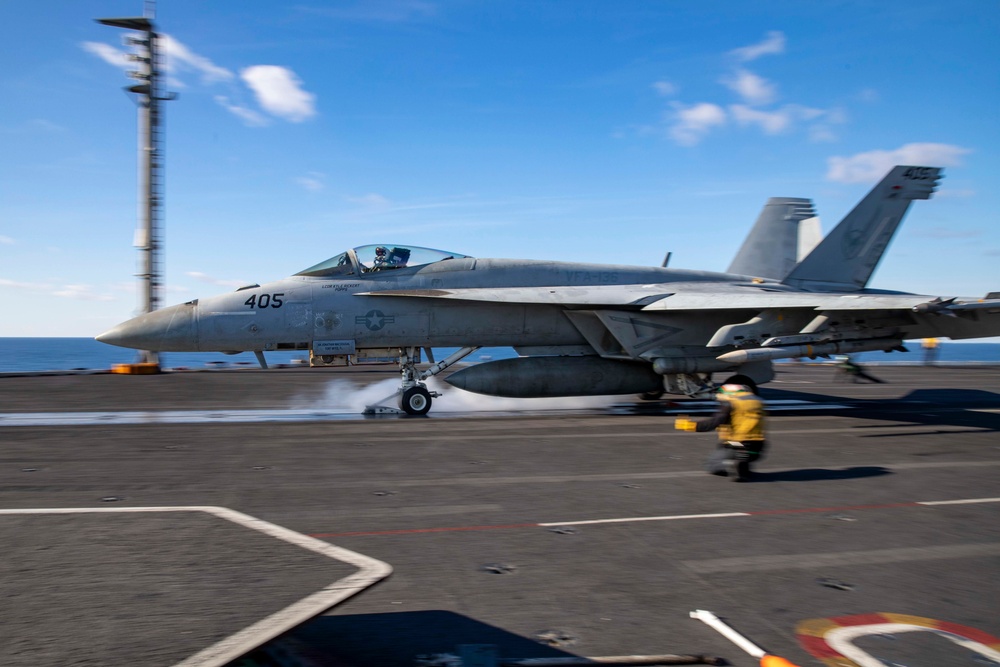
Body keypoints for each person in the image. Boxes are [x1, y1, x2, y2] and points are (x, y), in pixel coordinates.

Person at [675, 383, 767, 482]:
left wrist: (689, 425)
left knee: (712, 464)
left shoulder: (731, 402)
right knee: (741, 451)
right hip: (758, 448)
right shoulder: (758, 402)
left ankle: (733, 464)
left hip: (738, 444)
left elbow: (714, 422)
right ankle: (742, 464)